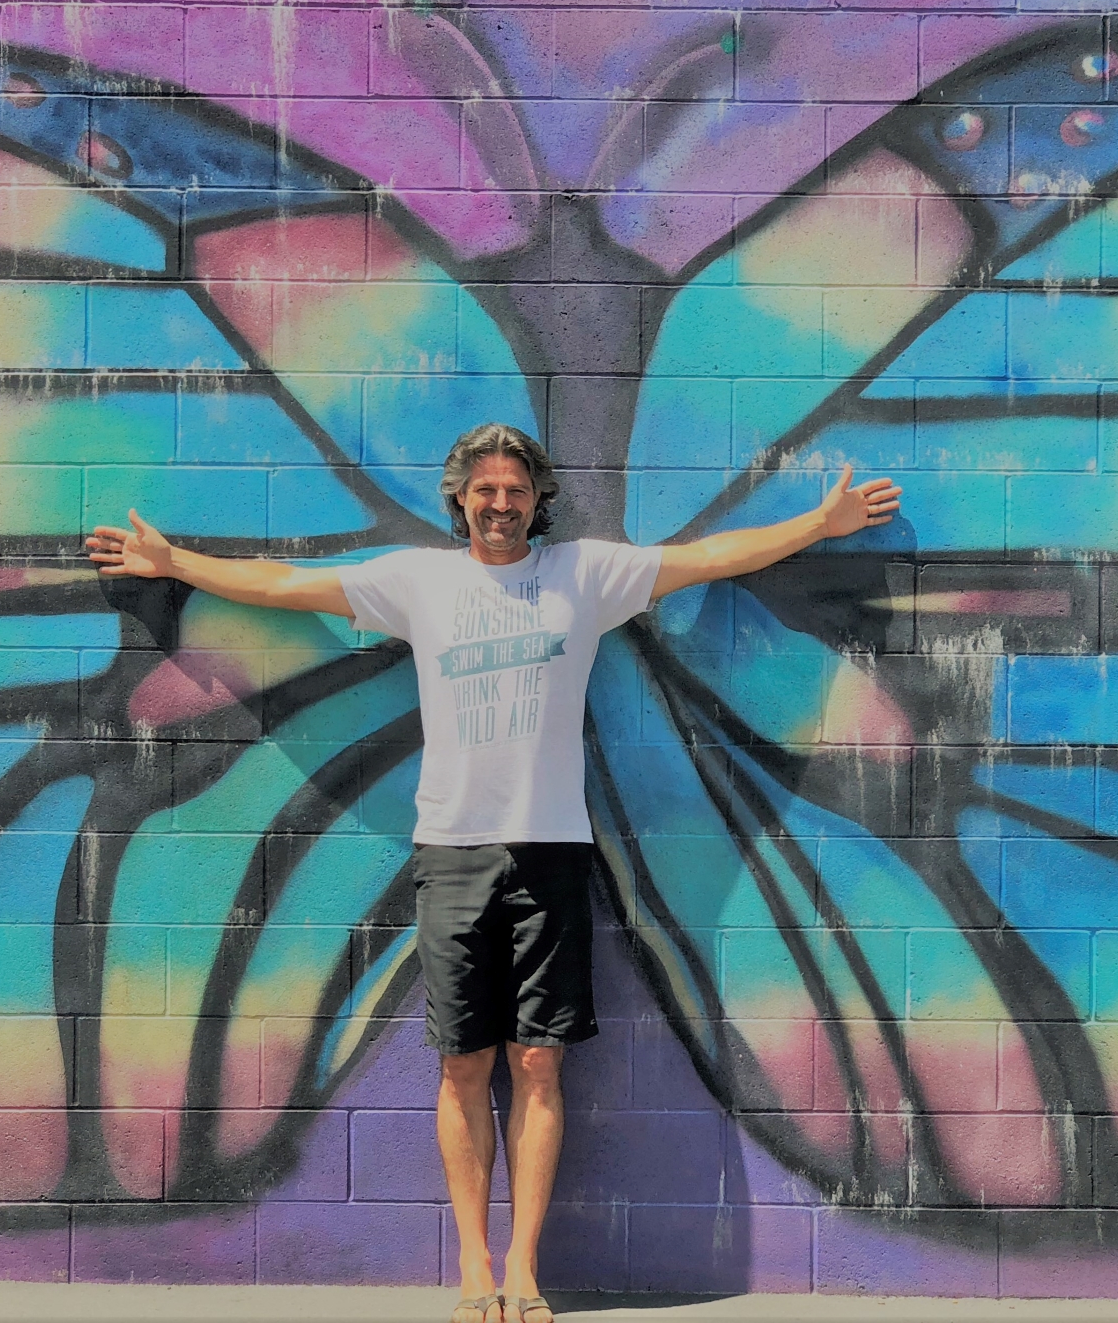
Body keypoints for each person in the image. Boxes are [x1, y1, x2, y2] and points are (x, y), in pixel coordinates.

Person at [86, 423, 900, 1323]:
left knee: (541, 1064)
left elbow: (707, 559)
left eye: (516, 490)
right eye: (485, 491)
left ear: (537, 498)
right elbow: (283, 587)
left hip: (552, 852)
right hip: (453, 854)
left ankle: (523, 1269)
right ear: (460, 500)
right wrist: (174, 562)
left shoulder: (583, 576)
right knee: (463, 1065)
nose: (501, 505)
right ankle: (473, 1265)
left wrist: (818, 524)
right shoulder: (418, 582)